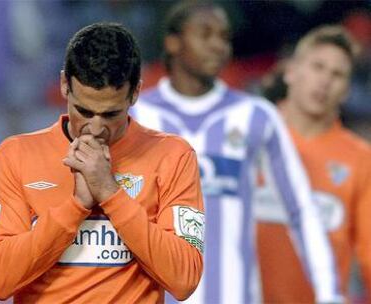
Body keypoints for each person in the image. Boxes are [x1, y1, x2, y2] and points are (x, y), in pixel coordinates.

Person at [131, 2, 342, 303]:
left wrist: (328, 293)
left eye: (224, 37)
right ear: (173, 42)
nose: (218, 46)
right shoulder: (137, 115)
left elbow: (301, 209)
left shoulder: (256, 115)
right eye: (205, 35)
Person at [0, 23, 204, 303]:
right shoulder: (16, 155)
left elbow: (184, 279)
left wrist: (109, 193)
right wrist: (76, 206)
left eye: (111, 114)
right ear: (64, 85)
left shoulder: (173, 155)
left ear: (135, 92)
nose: (95, 128)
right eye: (84, 111)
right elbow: (0, 280)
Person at [257, 25, 371, 303]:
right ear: (291, 71)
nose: (324, 81)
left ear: (346, 90)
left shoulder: (361, 159)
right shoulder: (245, 139)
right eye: (317, 67)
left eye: (337, 74)